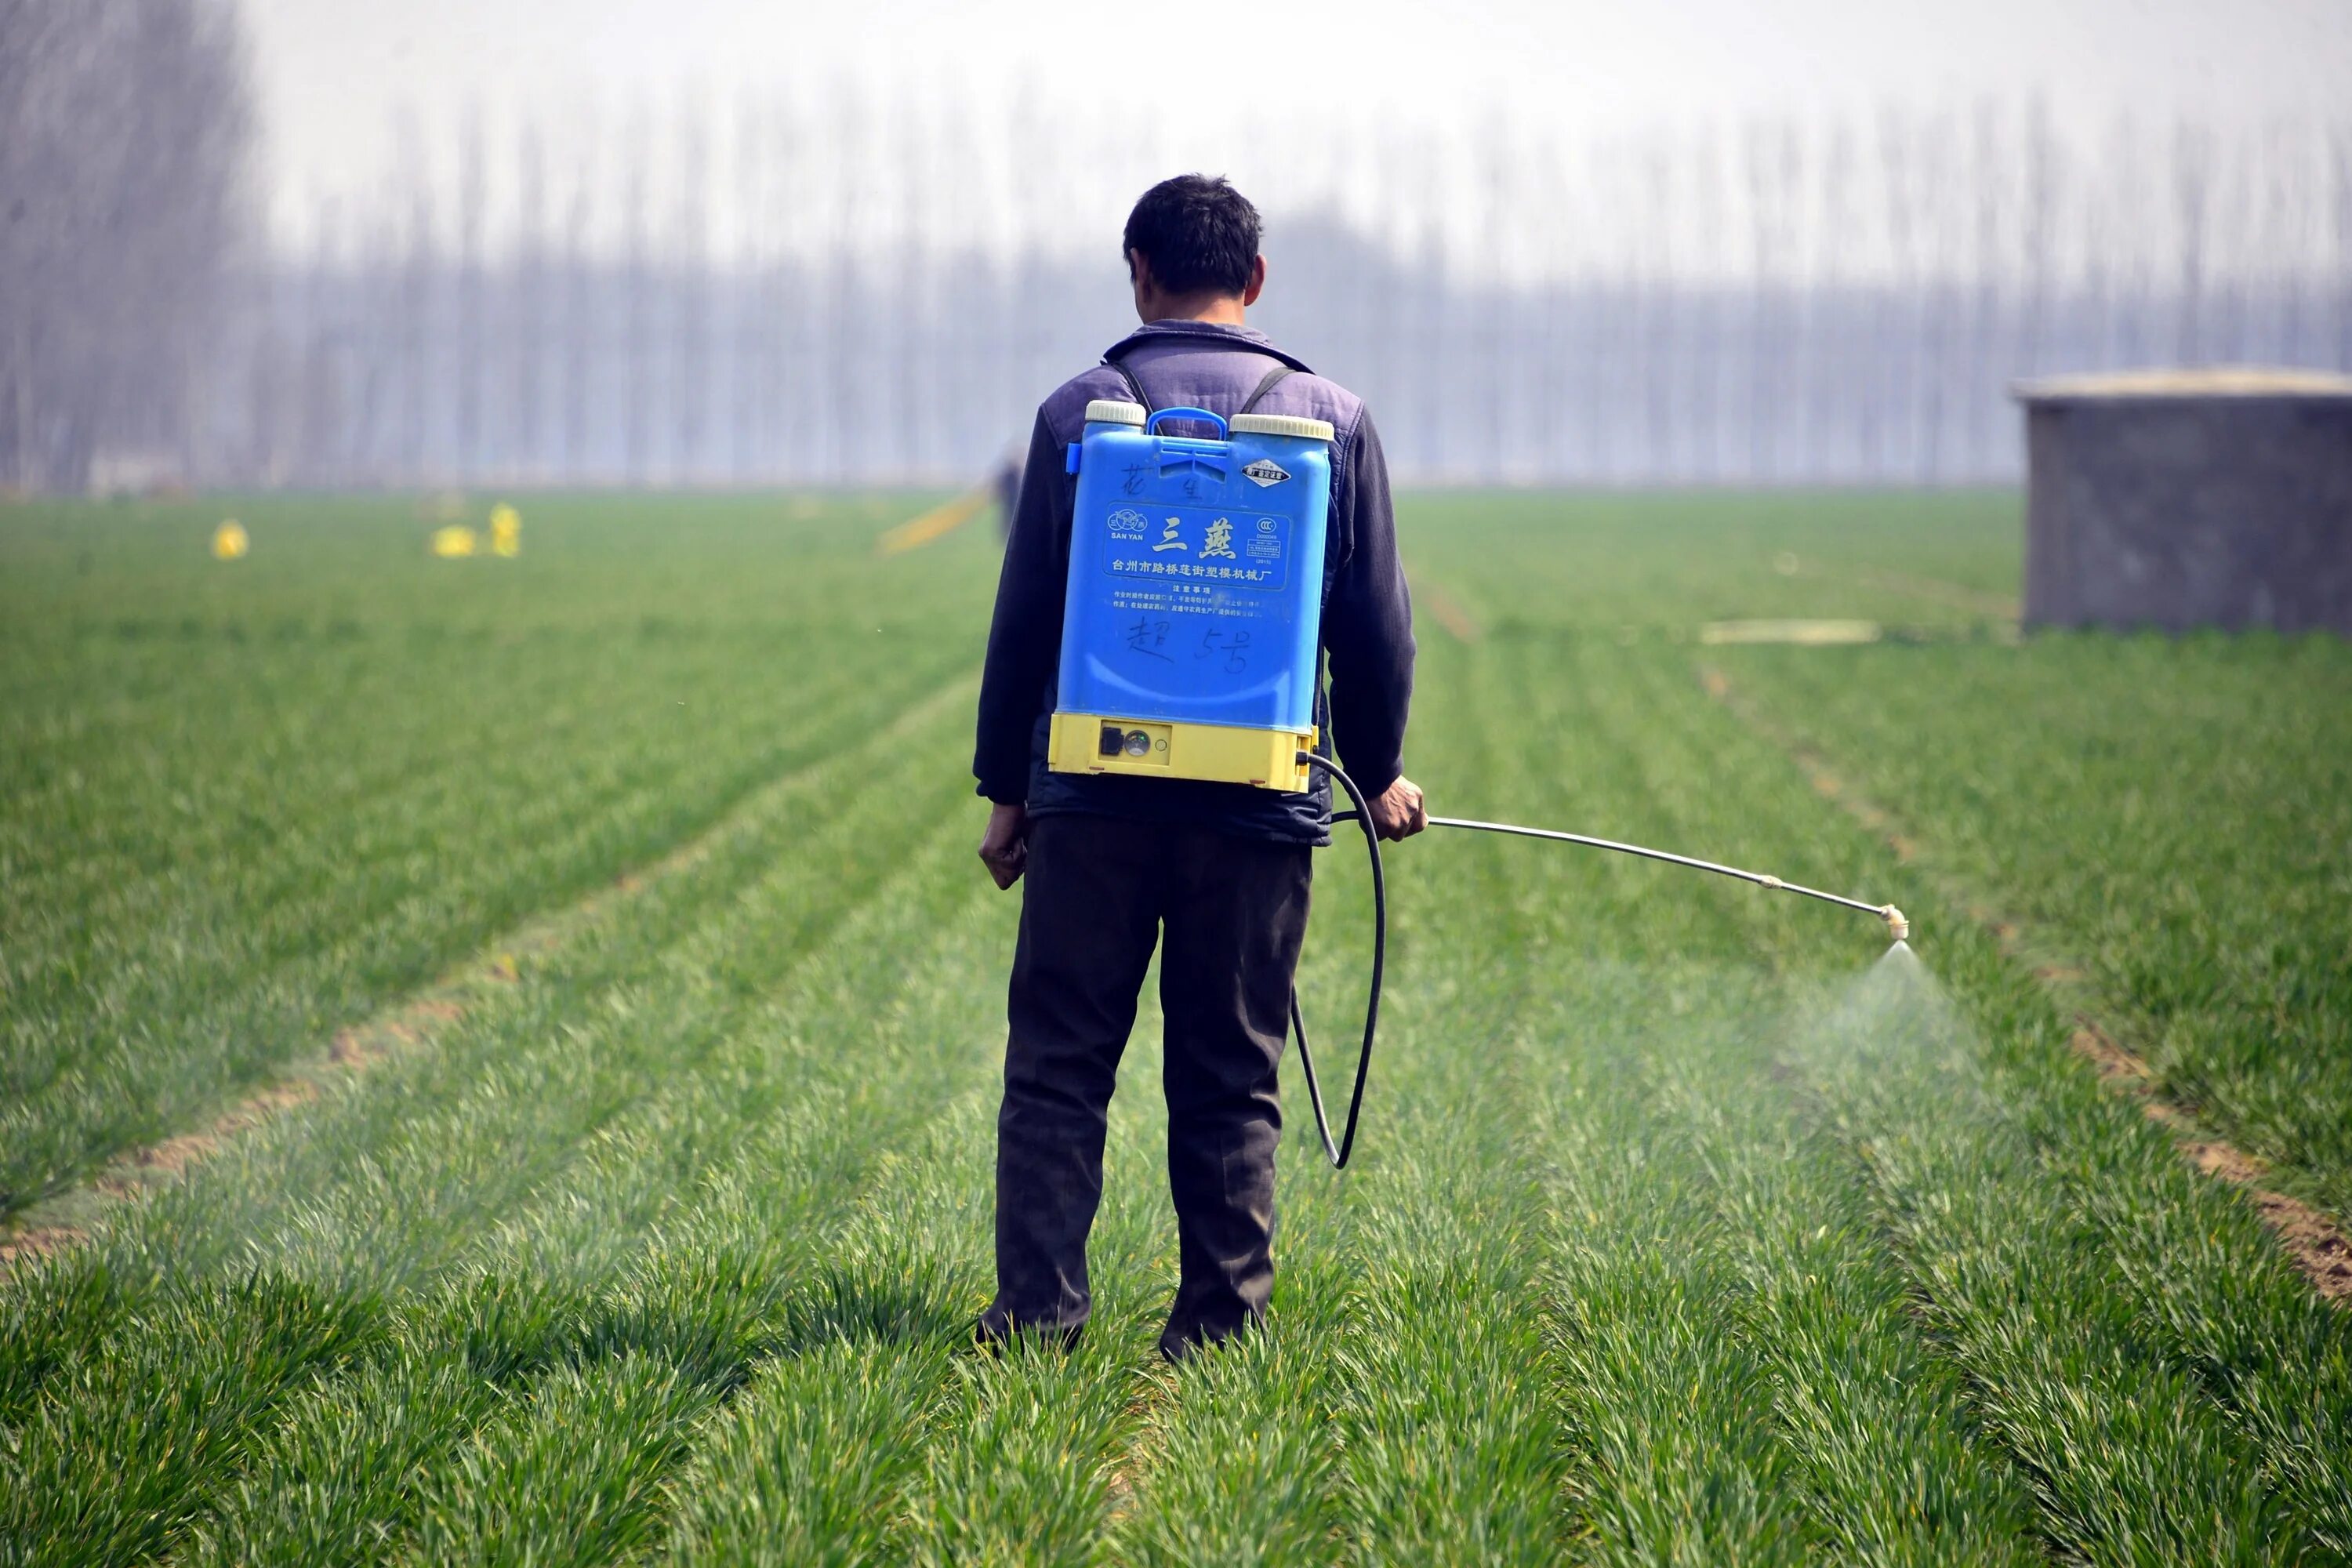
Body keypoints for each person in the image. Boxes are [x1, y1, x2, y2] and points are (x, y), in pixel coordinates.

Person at [972, 173, 1425, 1361]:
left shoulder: (1083, 416)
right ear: (1257, 282)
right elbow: (1375, 630)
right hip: (1259, 809)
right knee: (1231, 1074)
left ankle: (1038, 1319)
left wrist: (1006, 795)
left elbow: (1025, 625)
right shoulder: (1333, 418)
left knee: (1061, 1066)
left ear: (1137, 270)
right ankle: (1217, 1329)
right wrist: (1375, 773)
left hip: (1090, 799)